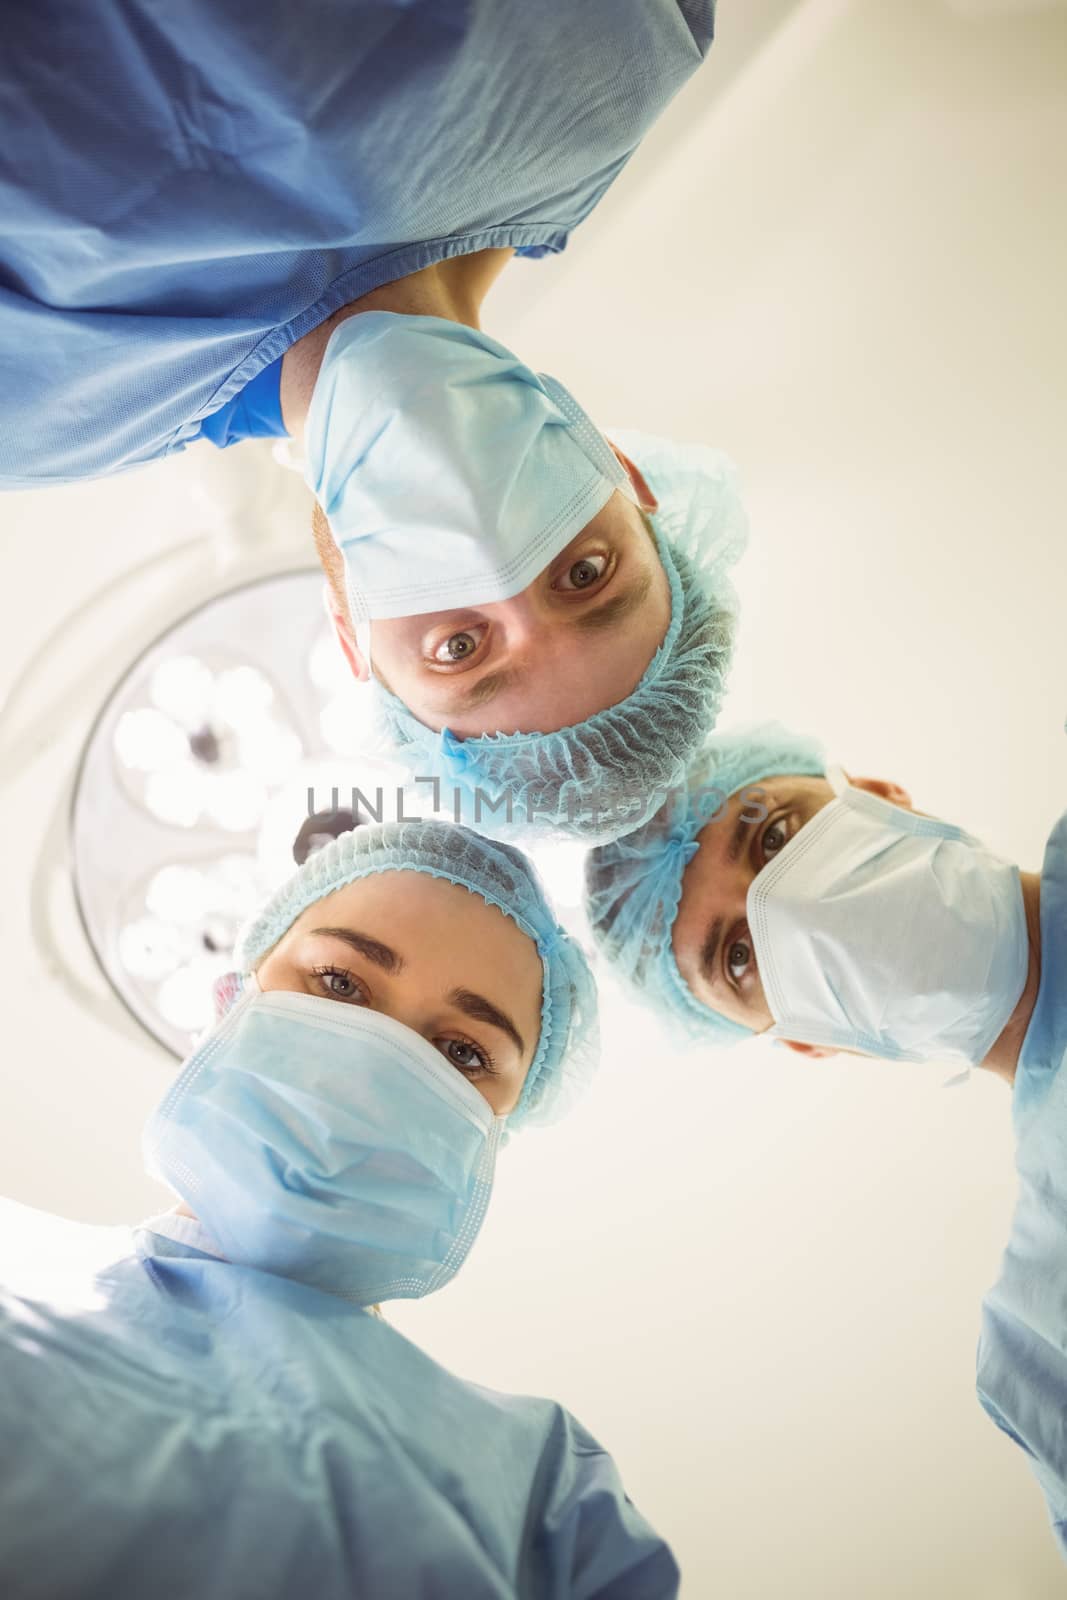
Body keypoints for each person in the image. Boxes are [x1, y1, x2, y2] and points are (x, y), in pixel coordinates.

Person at [2, 2, 743, 839]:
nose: (491, 564)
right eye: (584, 575)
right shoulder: (621, 54)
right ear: (620, 471)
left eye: (460, 650)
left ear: (351, 634)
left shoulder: (34, 414)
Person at [0, 821, 679, 1598]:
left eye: (461, 1052)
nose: (370, 1066)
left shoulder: (544, 1494)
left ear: (493, 1136)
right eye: (340, 983)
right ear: (230, 1002)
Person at [585, 724, 1067, 1557]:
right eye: (739, 957)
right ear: (808, 1039)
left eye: (772, 836)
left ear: (877, 797)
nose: (794, 914)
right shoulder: (1039, 1335)